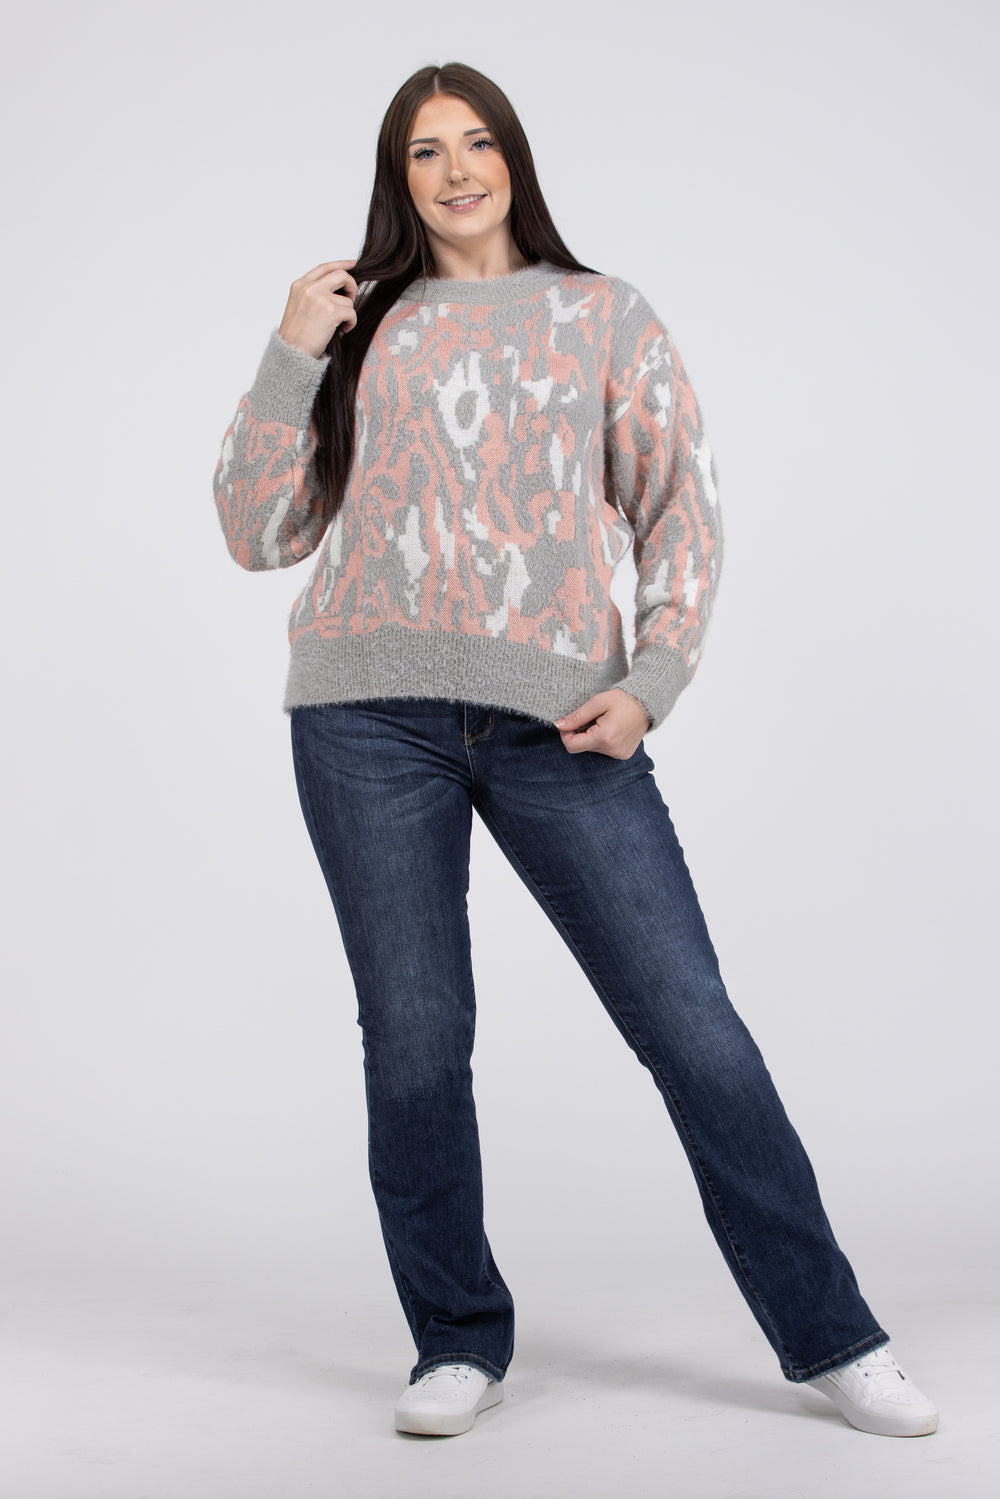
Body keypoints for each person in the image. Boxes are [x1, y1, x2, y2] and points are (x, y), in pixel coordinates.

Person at [212, 61, 938, 1442]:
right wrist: (290, 348)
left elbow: (682, 510)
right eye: (426, 151)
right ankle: (455, 1341)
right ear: (398, 177)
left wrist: (653, 682)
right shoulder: (359, 327)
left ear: (515, 159)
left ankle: (836, 1337)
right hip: (366, 716)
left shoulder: (604, 315)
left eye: (478, 142)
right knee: (416, 1039)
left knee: (691, 1024)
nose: (457, 170)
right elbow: (258, 533)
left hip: (562, 721)